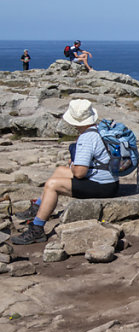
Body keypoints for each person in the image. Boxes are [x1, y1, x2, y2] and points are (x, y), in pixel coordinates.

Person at [11, 99, 120, 245]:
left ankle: (37, 229)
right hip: (110, 180)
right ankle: (38, 207)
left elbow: (80, 173)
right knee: (60, 171)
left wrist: (74, 164)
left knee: (52, 185)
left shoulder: (87, 137)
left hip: (103, 186)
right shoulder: (98, 130)